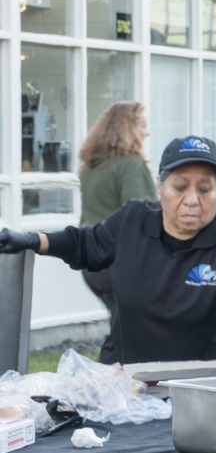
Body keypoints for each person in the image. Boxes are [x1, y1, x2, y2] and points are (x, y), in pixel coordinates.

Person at [0, 136, 216, 364]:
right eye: (180, 187)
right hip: (130, 385)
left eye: (205, 189)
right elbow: (84, 244)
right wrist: (31, 240)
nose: (192, 200)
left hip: (207, 393)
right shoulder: (132, 221)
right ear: (160, 188)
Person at [77, 102, 157, 311]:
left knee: (122, 328)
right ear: (127, 128)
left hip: (91, 264)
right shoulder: (130, 164)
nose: (147, 133)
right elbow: (141, 217)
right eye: (142, 126)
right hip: (119, 263)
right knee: (139, 331)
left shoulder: (91, 165)